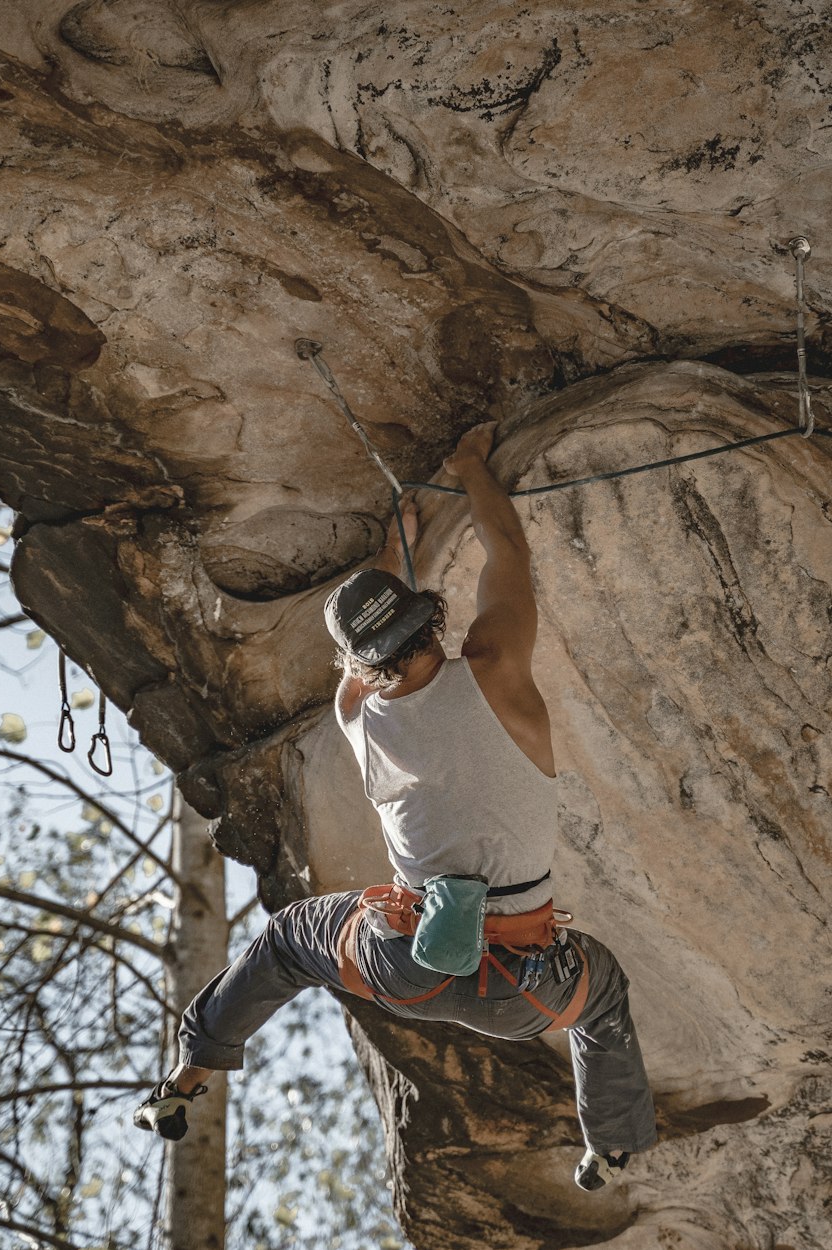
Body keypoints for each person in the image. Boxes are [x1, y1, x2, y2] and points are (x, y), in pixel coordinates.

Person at [134, 422, 656, 1191]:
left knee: (284, 943)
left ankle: (188, 1074)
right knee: (601, 997)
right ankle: (608, 1147)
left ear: (357, 666)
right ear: (429, 618)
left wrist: (391, 542)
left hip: (401, 963)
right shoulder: (497, 669)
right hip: (520, 984)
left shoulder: (356, 712)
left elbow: (360, 660)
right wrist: (473, 467)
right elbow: (507, 551)